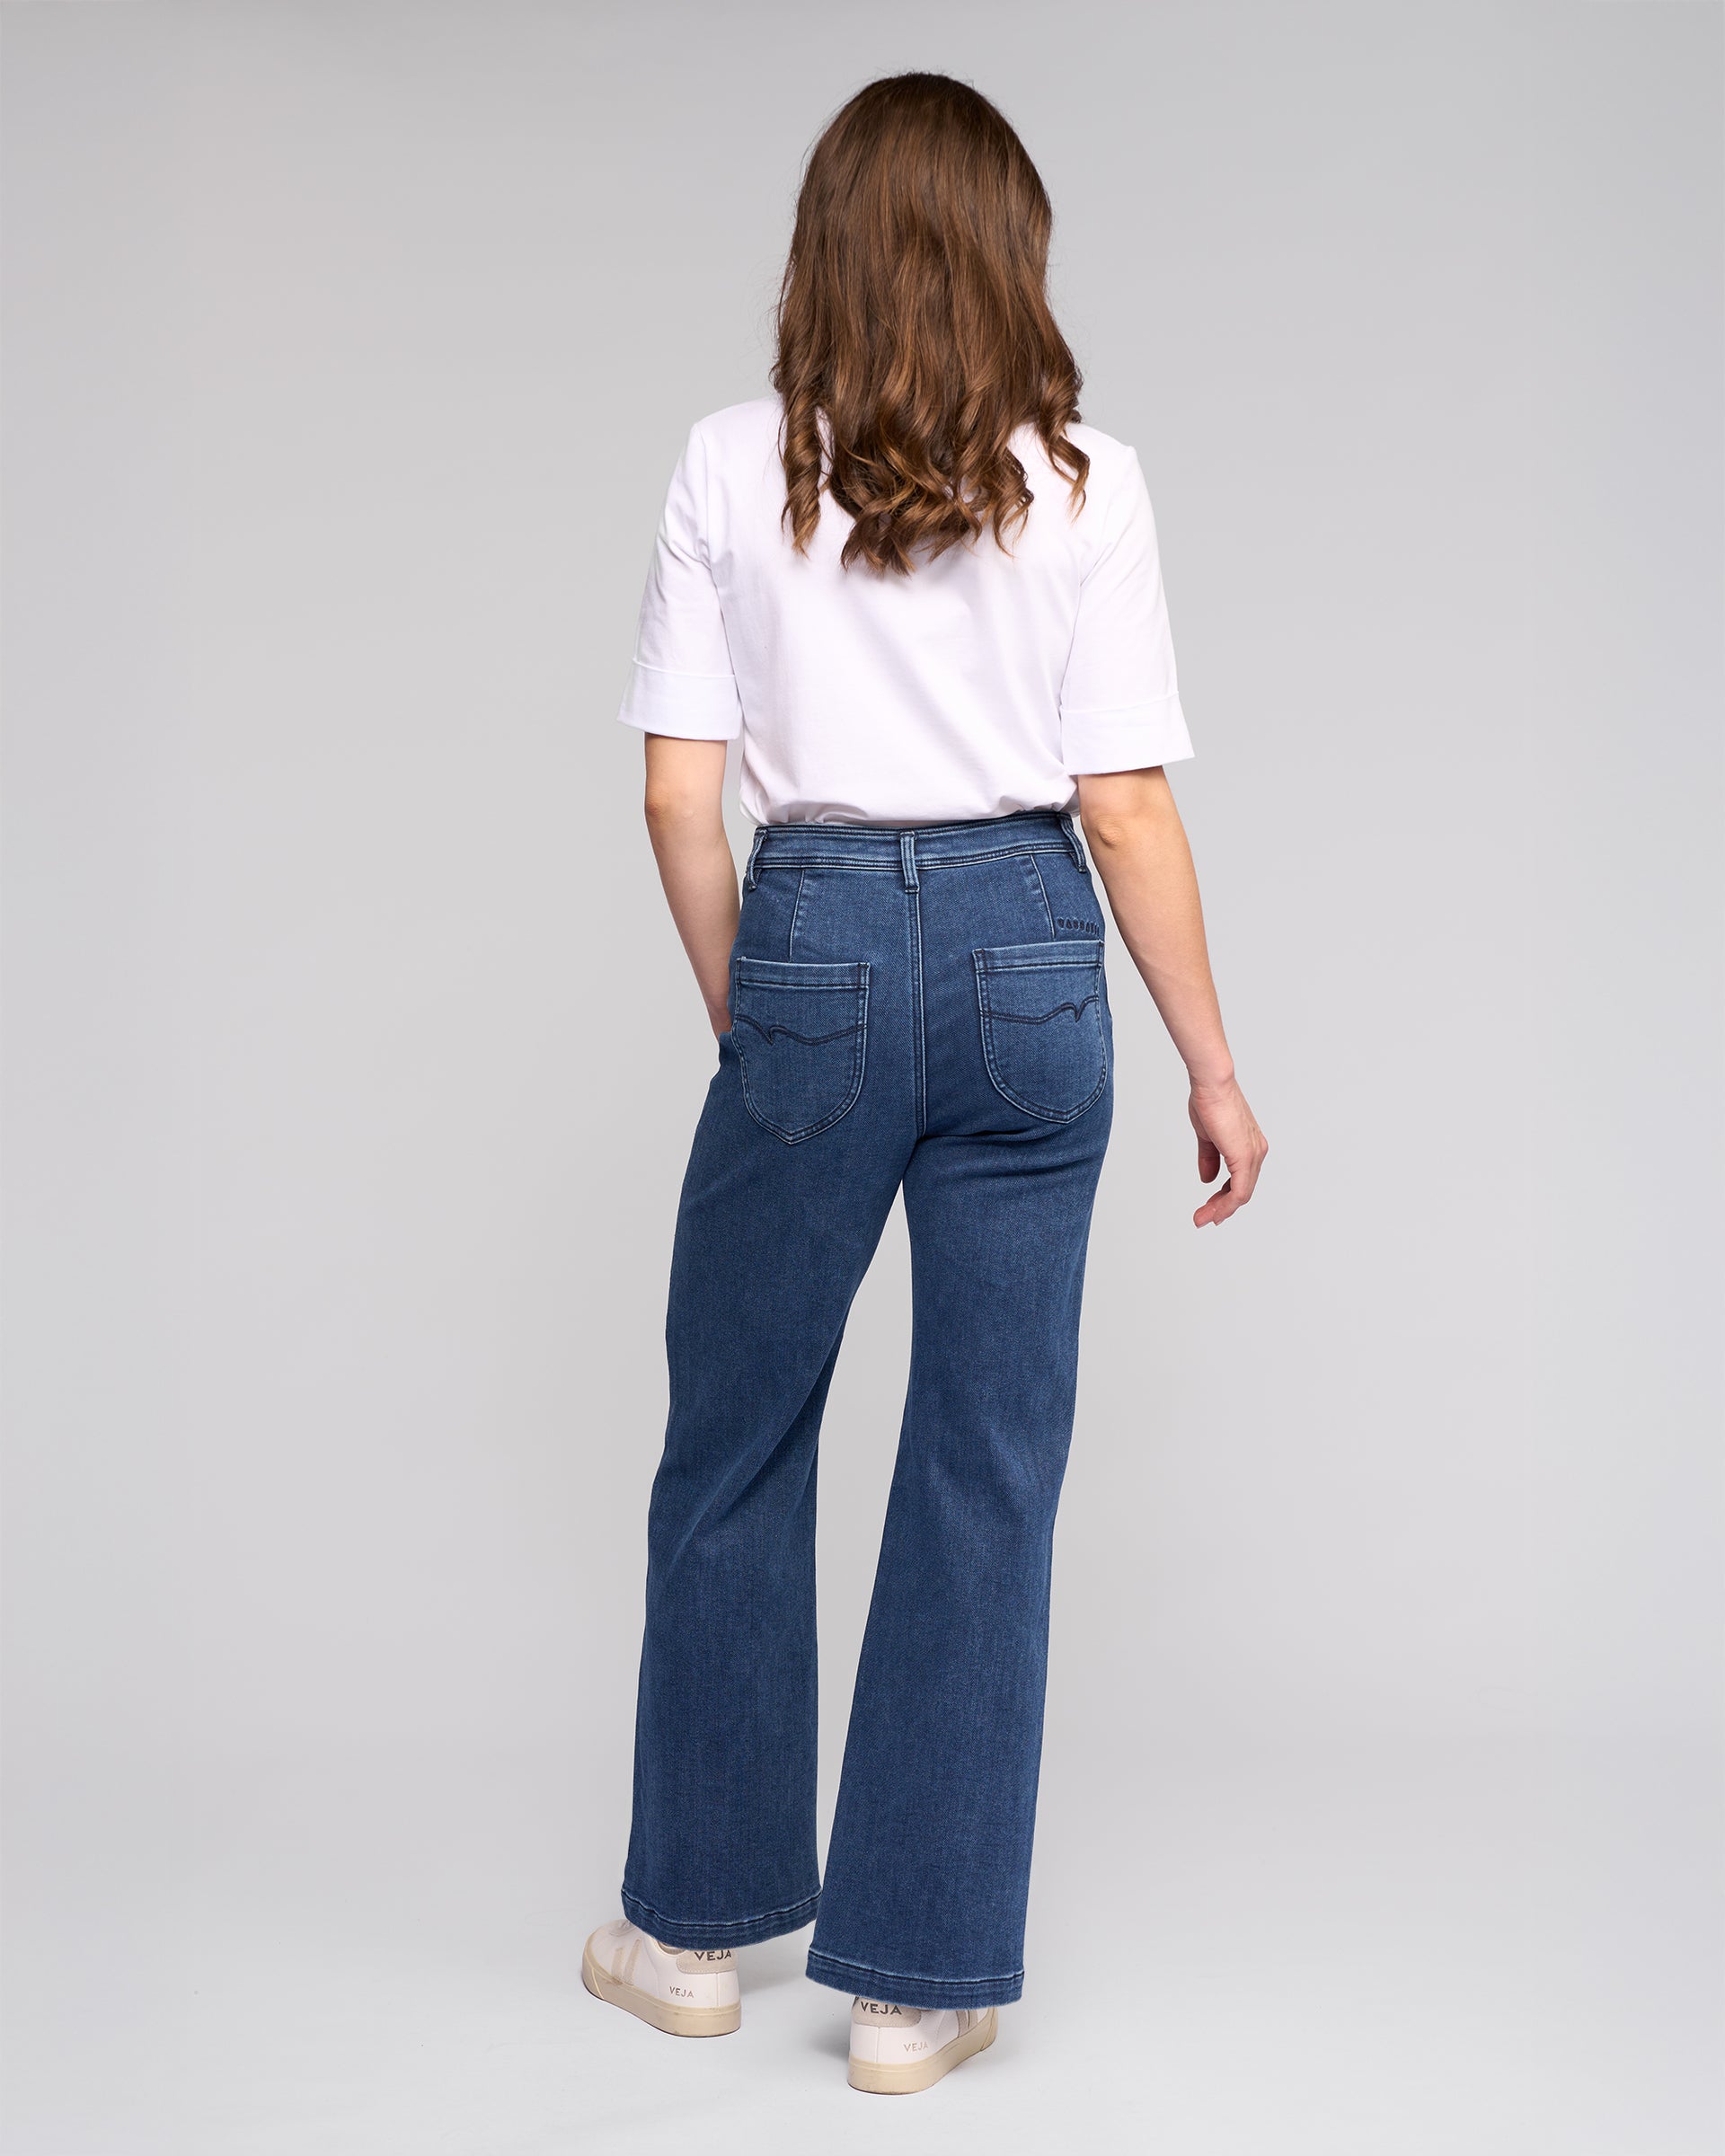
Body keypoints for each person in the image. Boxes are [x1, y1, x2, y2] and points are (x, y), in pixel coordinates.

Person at [582, 71, 1267, 2097]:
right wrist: (1214, 1063)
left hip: (804, 935)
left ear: (826, 252)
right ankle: (916, 1987)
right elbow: (1120, 804)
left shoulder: (730, 464)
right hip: (1034, 954)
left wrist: (757, 1008)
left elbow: (672, 791)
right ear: (1007, 257)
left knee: (736, 1433)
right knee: (987, 1465)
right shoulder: (1091, 480)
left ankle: (693, 1944)